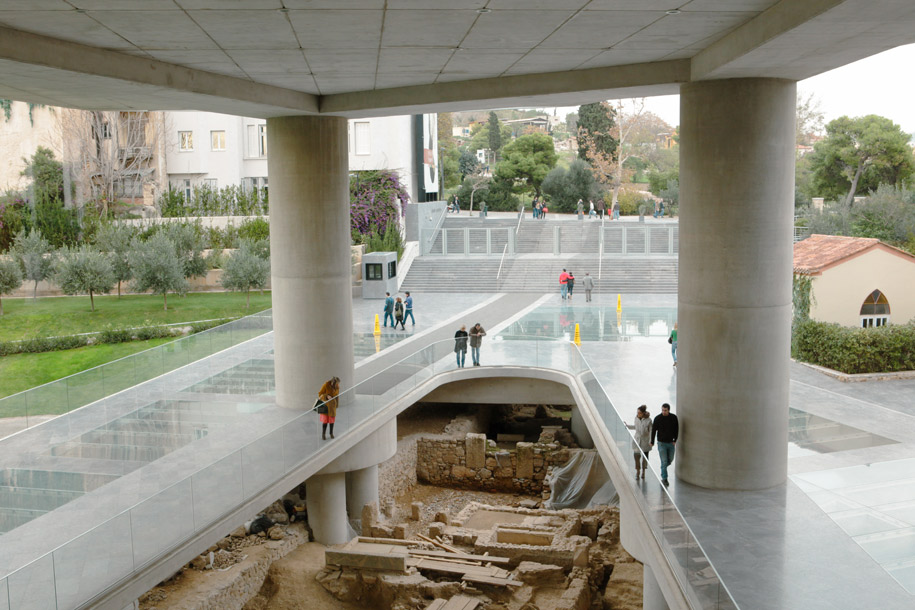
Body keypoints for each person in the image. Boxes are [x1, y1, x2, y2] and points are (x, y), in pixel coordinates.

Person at [650, 403, 679, 486]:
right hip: (661, 443)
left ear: (668, 410)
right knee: (664, 461)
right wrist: (652, 441)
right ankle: (664, 478)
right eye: (662, 410)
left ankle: (663, 468)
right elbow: (654, 431)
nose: (663, 412)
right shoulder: (658, 418)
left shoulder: (673, 418)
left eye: (665, 410)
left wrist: (675, 440)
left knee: (670, 460)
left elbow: (676, 429)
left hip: (671, 443)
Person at [317, 376, 340, 440]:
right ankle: (323, 434)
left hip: (332, 407)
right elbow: (320, 394)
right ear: (332, 381)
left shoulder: (337, 386)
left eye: (337, 384)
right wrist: (326, 396)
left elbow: (337, 396)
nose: (336, 385)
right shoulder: (326, 385)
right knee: (325, 421)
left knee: (331, 421)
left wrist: (337, 405)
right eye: (335, 383)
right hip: (326, 406)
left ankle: (331, 433)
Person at [633, 405, 651, 480]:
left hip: (645, 442)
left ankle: (643, 471)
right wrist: (627, 426)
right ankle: (638, 471)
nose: (638, 414)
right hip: (637, 440)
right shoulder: (636, 418)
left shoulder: (649, 420)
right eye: (637, 412)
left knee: (645, 458)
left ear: (643, 413)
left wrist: (651, 441)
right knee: (636, 457)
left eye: (639, 413)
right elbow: (635, 427)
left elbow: (651, 431)